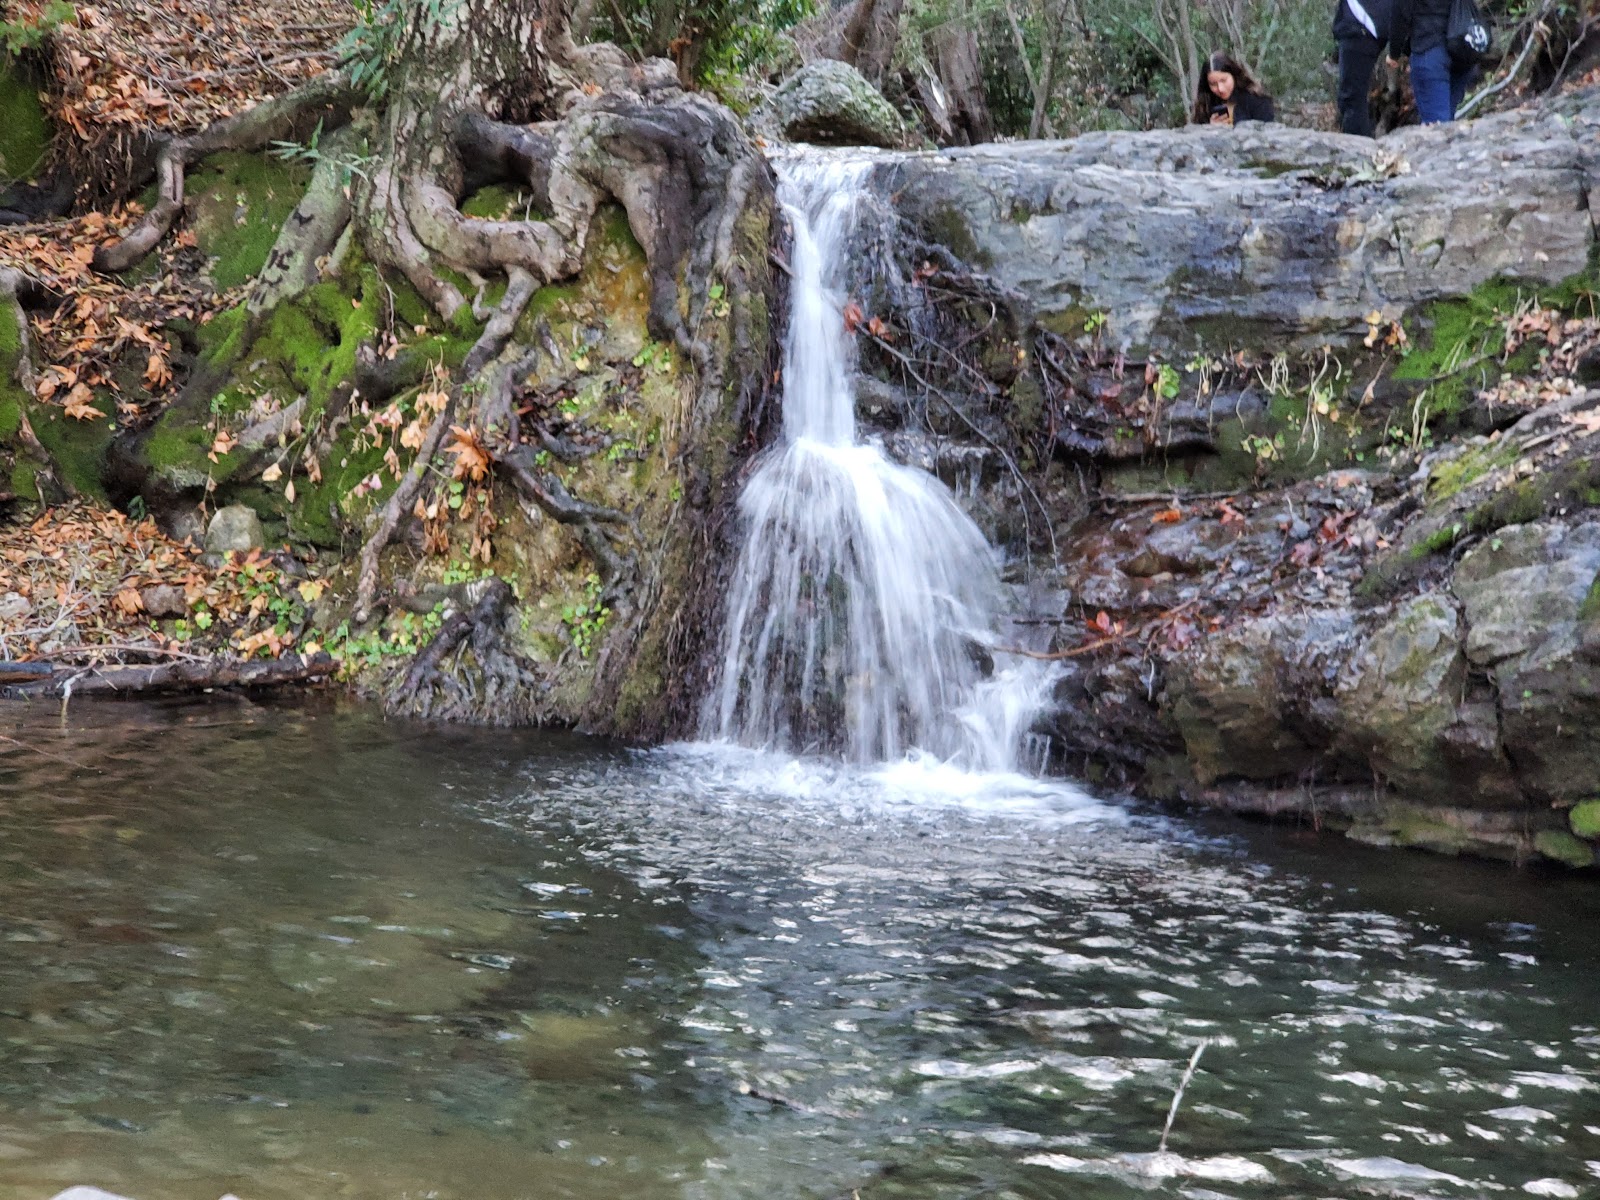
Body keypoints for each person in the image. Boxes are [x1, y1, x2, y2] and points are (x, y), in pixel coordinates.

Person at [1333, 0, 1408, 136]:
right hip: (1364, 27)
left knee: (1352, 99)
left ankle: (1358, 150)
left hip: (1361, 27)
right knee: (1352, 98)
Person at [1408, 0, 1474, 122]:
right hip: (1462, 49)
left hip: (1429, 49)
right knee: (1447, 120)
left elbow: (1399, 10)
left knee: (1437, 124)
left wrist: (1394, 52)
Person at [1192, 53, 1276, 127]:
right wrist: (1209, 129)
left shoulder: (1257, 99)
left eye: (1223, 81)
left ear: (1233, 75)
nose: (1220, 88)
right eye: (1213, 84)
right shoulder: (1205, 103)